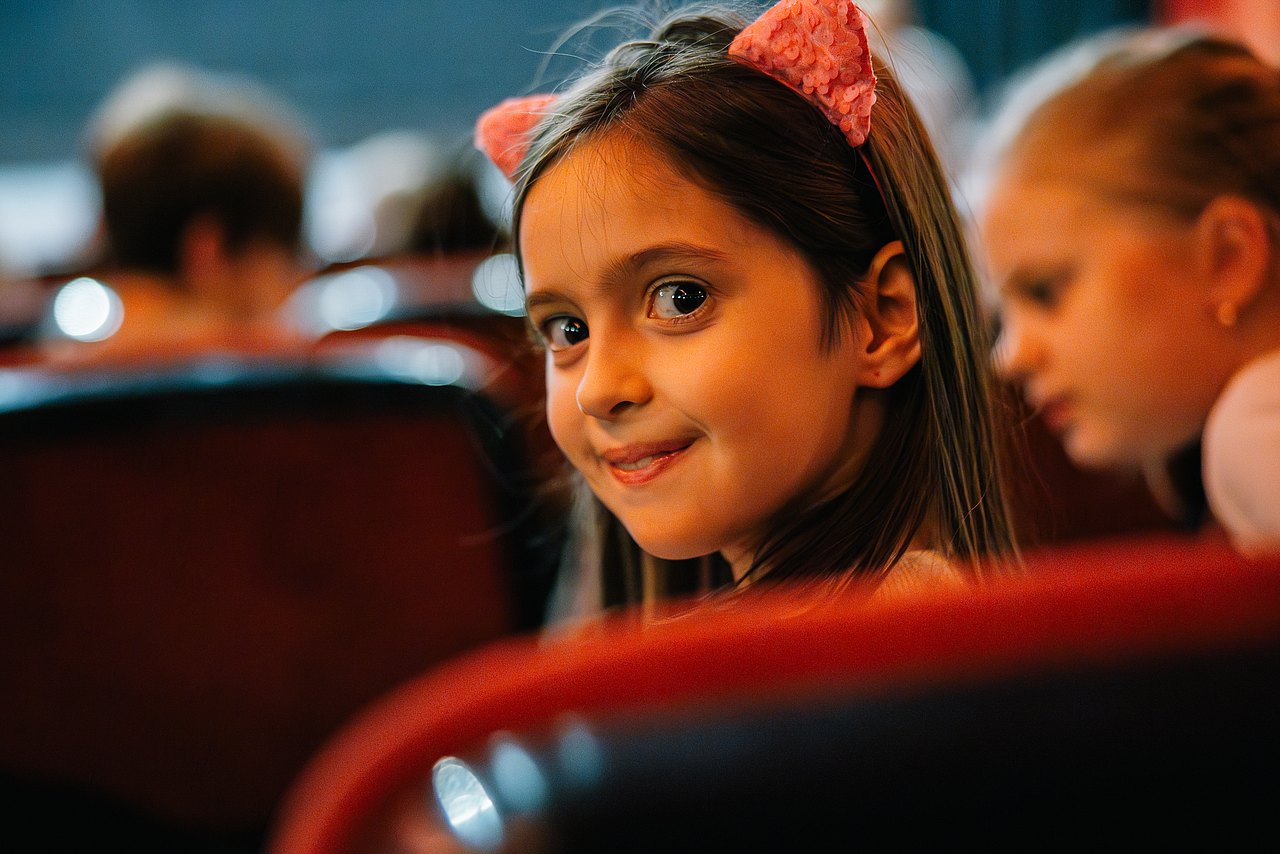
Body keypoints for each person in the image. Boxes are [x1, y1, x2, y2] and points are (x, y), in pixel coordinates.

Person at [473, 0, 1017, 622]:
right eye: (568, 330)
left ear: (882, 318)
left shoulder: (897, 641)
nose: (597, 391)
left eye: (680, 298)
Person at [972, 26, 1280, 556]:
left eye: (1044, 292)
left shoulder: (1253, 429)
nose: (1010, 358)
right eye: (1004, 316)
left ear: (1229, 258)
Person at [49, 62, 313, 357]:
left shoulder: (48, 359)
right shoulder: (274, 367)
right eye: (285, 262)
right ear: (210, 249)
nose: (292, 288)